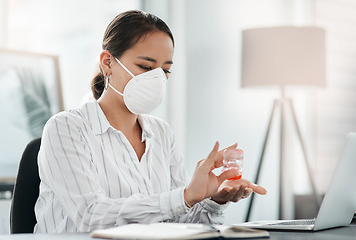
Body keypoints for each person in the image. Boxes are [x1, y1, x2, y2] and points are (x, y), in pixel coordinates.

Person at [34, 10, 266, 233]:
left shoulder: (161, 133)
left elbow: (180, 221)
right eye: (145, 67)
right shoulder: (65, 128)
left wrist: (211, 199)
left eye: (165, 71)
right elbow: (90, 217)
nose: (156, 79)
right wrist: (184, 196)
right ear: (107, 63)